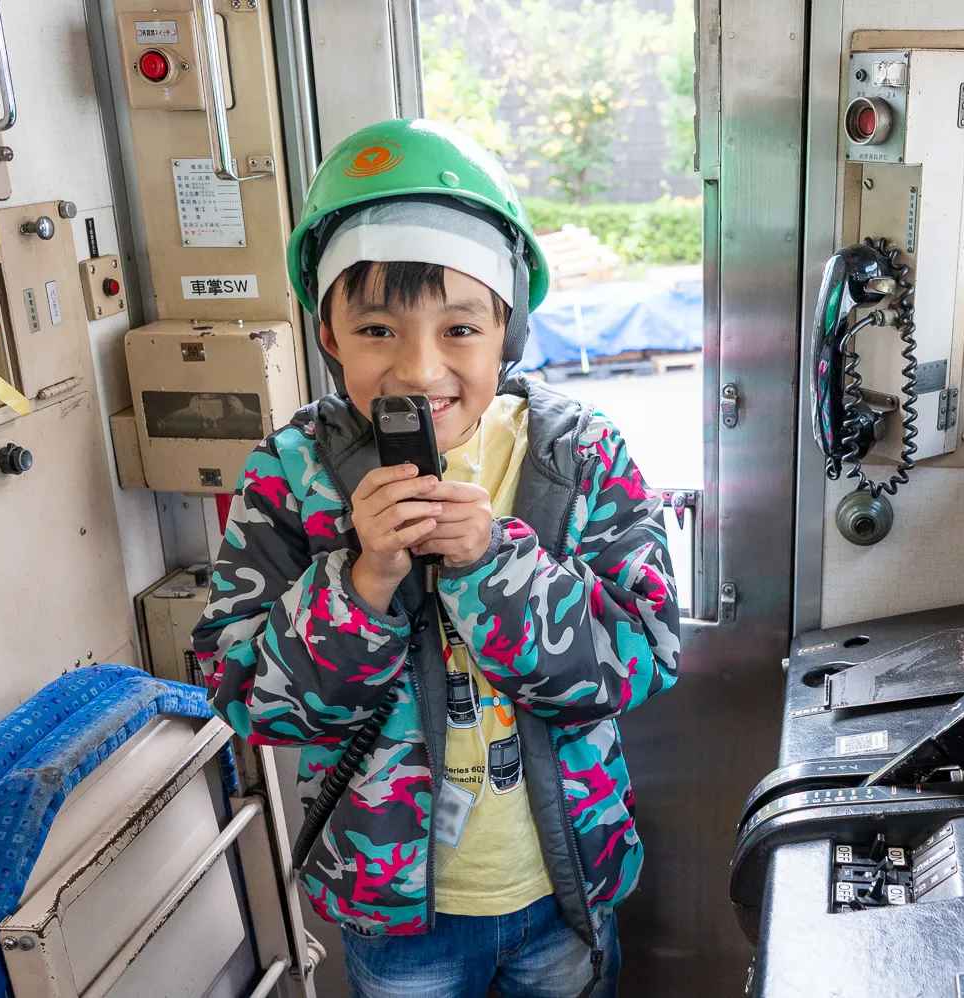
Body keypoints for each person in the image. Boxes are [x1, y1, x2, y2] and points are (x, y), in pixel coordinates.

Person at [192, 118, 680, 998]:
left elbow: (643, 657)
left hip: (564, 892)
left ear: (508, 332)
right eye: (377, 329)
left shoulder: (578, 456)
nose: (419, 370)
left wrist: (494, 564)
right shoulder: (292, 473)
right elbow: (243, 698)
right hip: (393, 916)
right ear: (329, 334)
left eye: (460, 329)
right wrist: (361, 579)